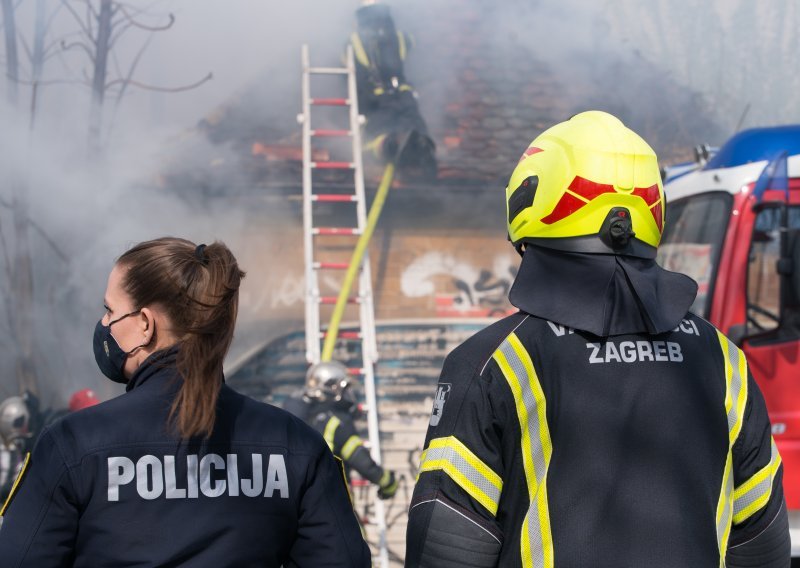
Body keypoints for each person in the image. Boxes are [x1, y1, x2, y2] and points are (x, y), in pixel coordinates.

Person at [405, 111, 790, 567]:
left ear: (532, 204)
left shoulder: (494, 364)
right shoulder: (723, 360)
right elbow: (761, 543)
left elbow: (447, 547)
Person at [0, 237, 370, 567]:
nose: (104, 323)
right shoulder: (297, 445)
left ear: (145, 324)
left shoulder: (70, 445)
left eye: (110, 310)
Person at [283, 361, 399, 500]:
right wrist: (388, 483)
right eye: (344, 389)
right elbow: (361, 461)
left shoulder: (292, 418)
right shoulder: (336, 421)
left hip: (290, 499)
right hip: (327, 500)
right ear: (331, 389)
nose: (347, 395)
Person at [350, 1, 437, 180]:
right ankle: (394, 146)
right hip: (392, 98)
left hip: (385, 99)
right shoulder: (400, 38)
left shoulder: (354, 42)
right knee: (389, 135)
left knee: (413, 135)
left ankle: (407, 149)